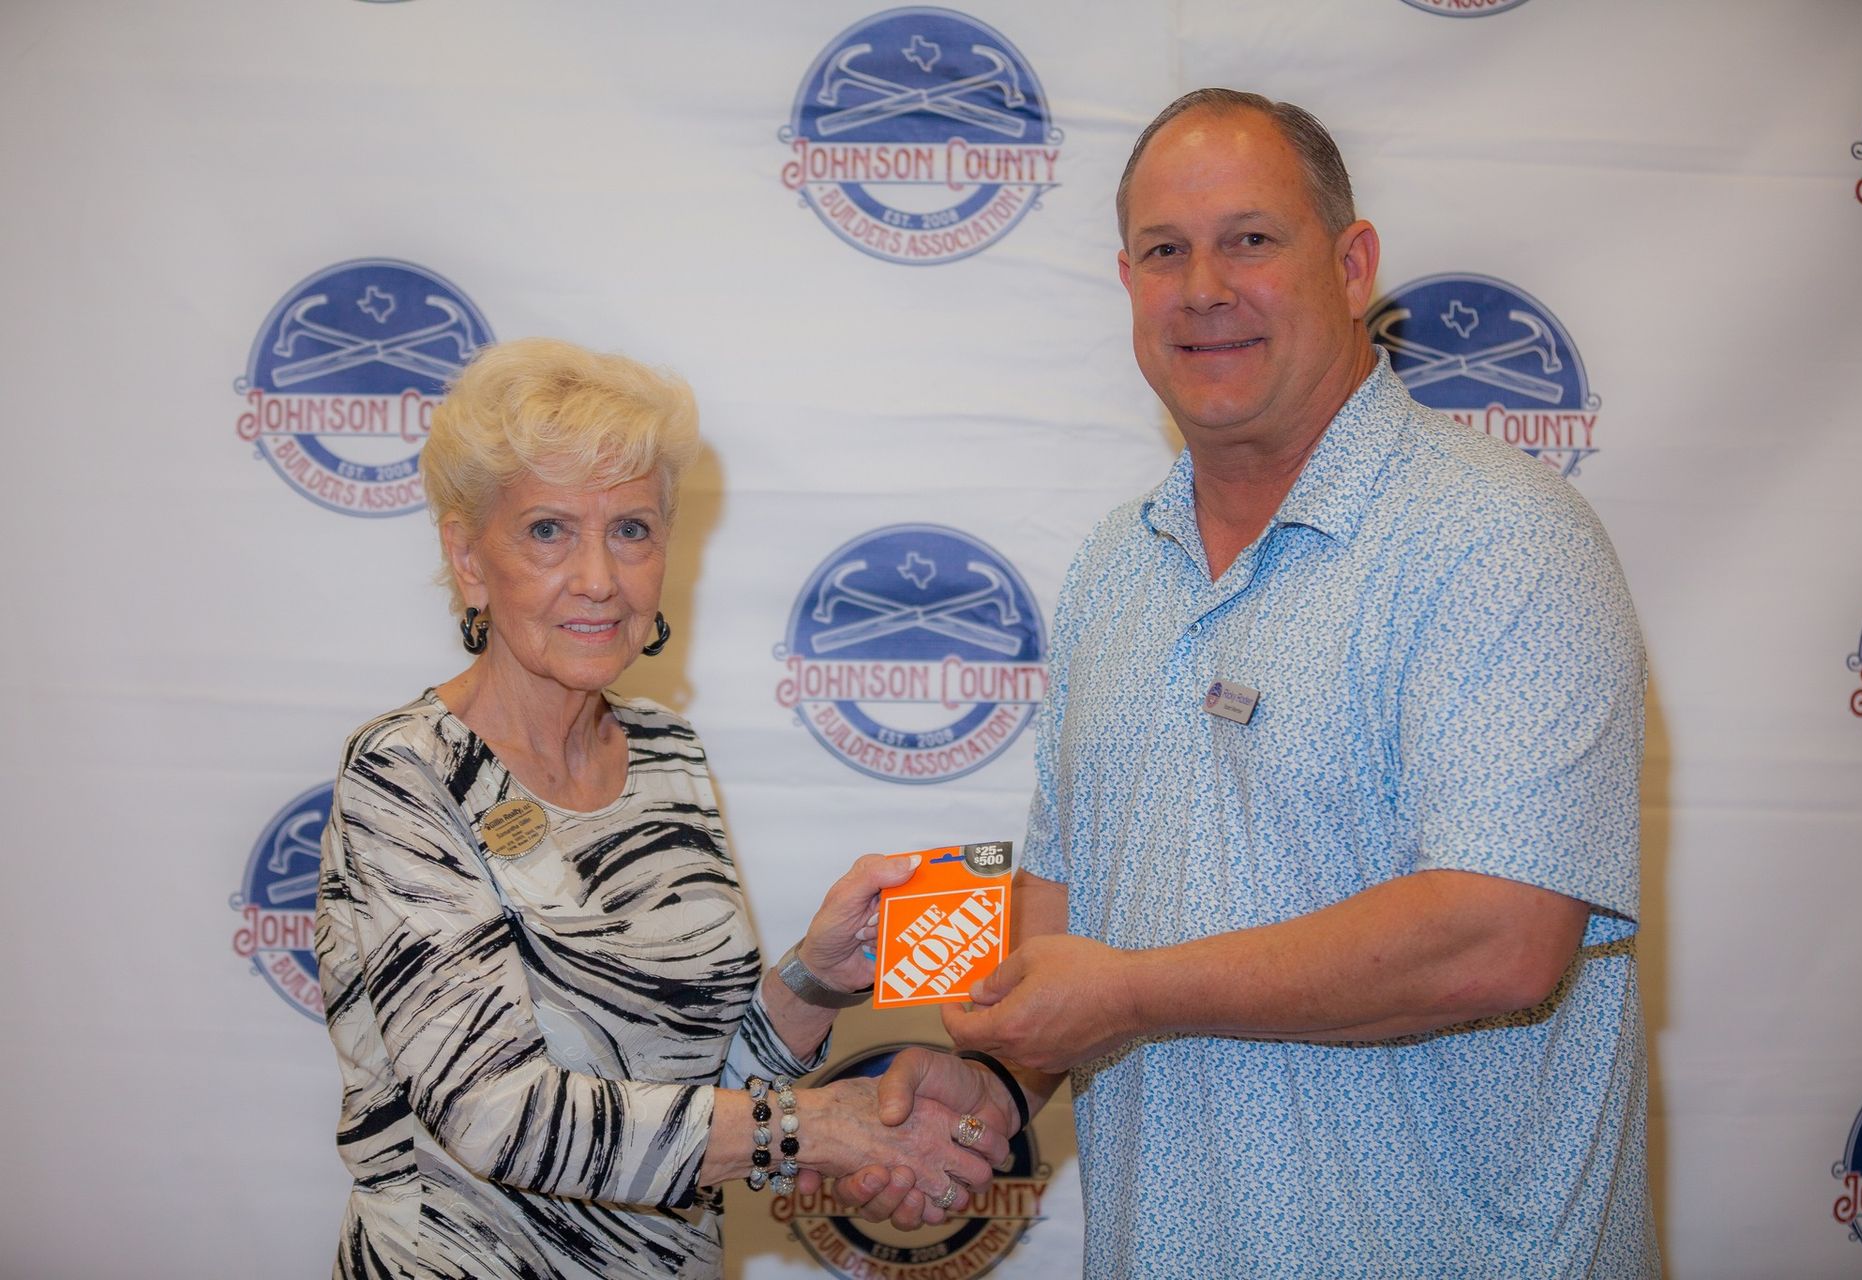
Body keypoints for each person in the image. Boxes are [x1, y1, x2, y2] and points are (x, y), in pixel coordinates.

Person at [836, 90, 1657, 1277]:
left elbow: (1500, 935)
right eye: (1165, 251)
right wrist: (993, 1084)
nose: (1204, 287)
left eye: (1250, 239)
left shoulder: (1501, 540)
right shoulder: (1115, 567)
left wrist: (1127, 995)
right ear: (1127, 284)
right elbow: (1071, 917)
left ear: (1353, 261)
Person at [314, 338, 1008, 1280]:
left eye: (631, 529)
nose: (599, 576)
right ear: (468, 558)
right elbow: (494, 1114)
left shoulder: (668, 755)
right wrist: (823, 1128)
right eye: (550, 530)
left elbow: (704, 1102)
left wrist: (815, 980)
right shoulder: (405, 774)